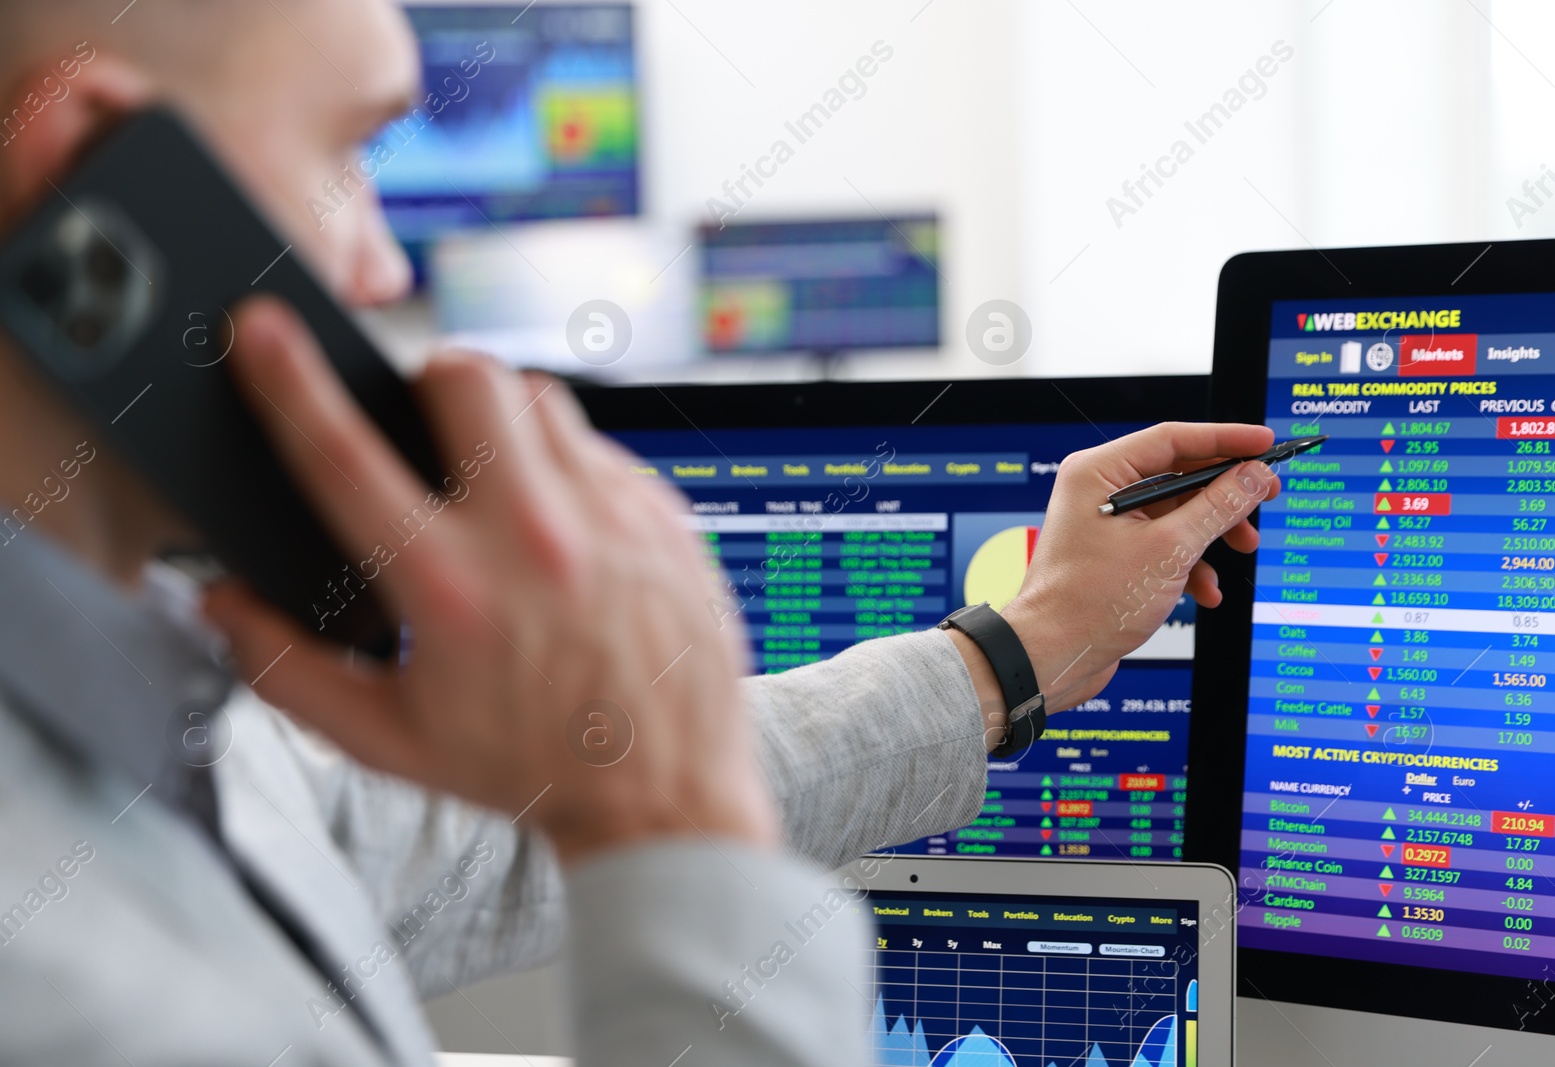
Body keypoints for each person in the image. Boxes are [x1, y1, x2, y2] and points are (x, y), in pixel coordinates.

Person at [0, 3, 1279, 1064]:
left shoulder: (139, 710)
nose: (386, 270)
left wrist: (1020, 650)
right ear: (88, 190)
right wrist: (678, 836)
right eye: (353, 156)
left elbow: (446, 843)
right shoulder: (72, 996)